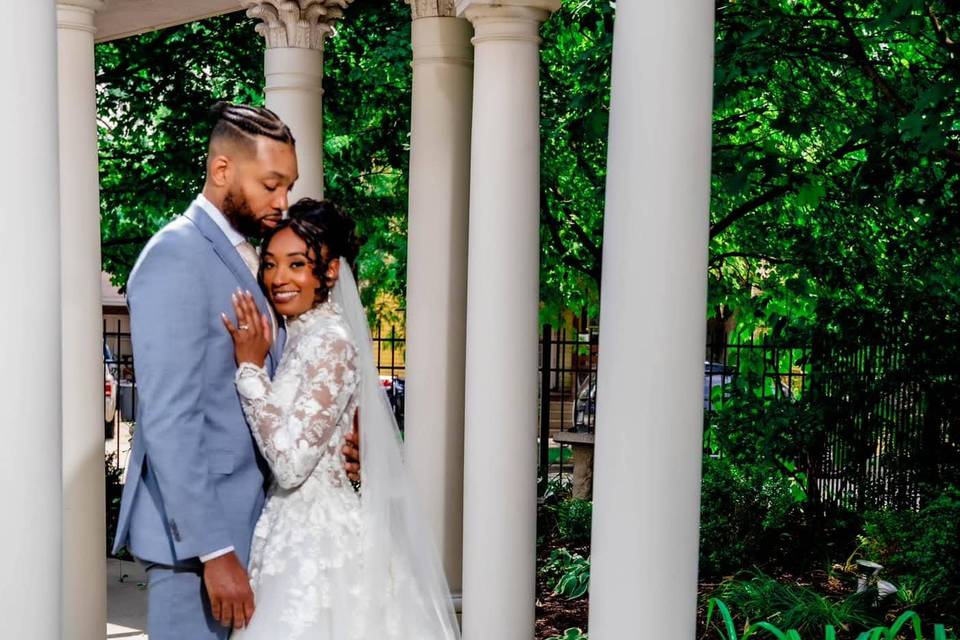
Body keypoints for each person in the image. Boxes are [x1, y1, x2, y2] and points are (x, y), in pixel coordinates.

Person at [111, 103, 360, 639]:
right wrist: (215, 552)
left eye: (288, 186)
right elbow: (170, 419)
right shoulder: (175, 256)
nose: (282, 202)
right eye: (271, 185)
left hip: (262, 531)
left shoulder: (251, 256)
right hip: (200, 548)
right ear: (222, 170)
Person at [223, 199, 460, 640]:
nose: (278, 278)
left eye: (297, 264)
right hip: (290, 533)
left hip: (316, 545)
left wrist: (250, 370)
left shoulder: (331, 343)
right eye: (271, 264)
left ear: (329, 272)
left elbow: (291, 465)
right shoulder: (301, 336)